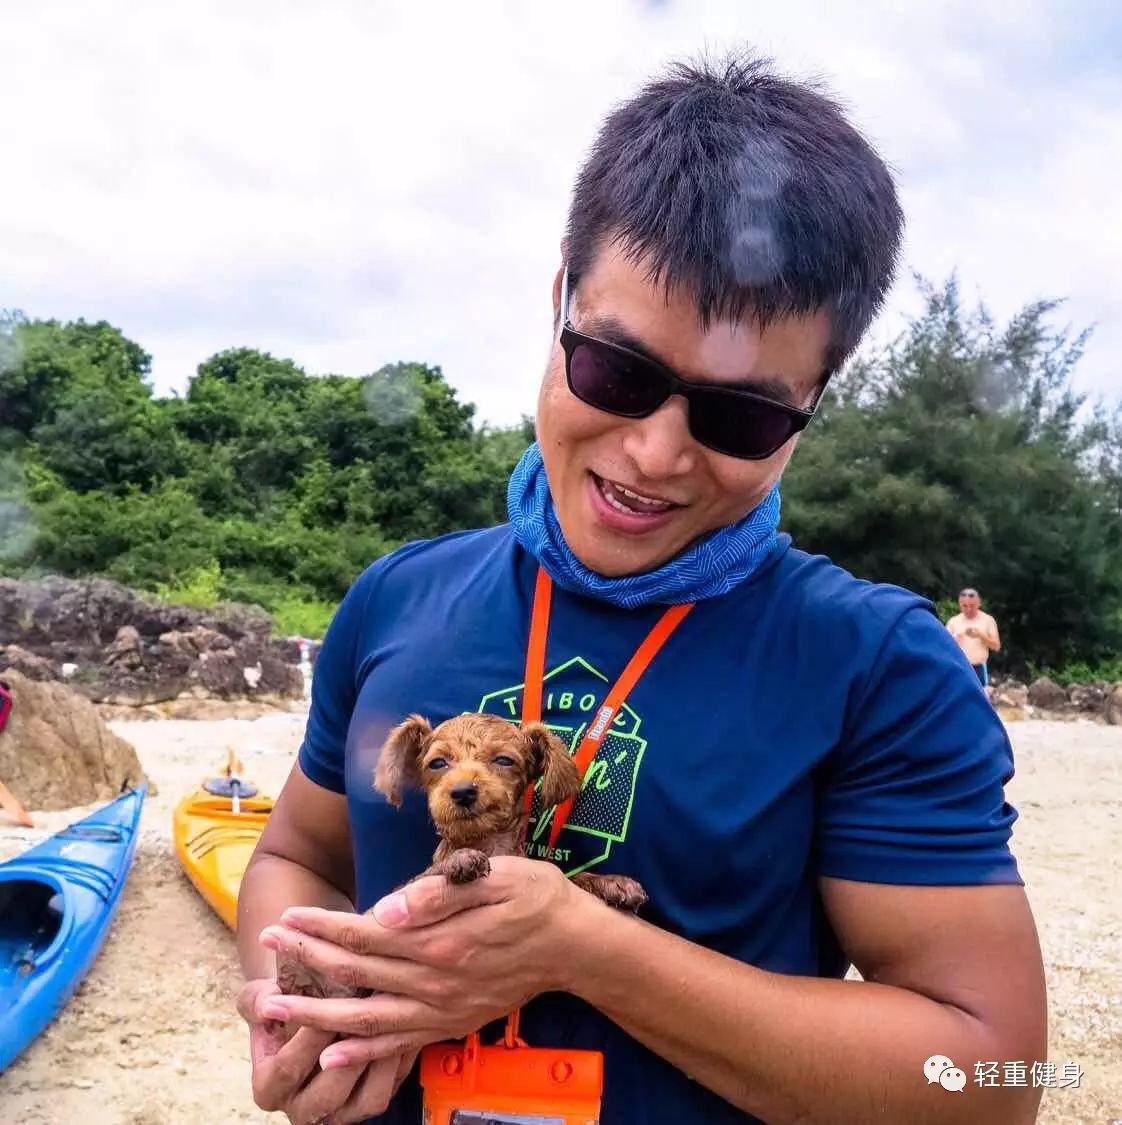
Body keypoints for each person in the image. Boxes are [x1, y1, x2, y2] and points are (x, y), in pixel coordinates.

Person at [236, 54, 1046, 1124]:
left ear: (814, 400)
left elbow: (995, 1081)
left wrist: (585, 951)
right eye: (617, 371)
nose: (657, 454)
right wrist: (296, 995)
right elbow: (296, 855)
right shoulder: (395, 599)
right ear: (560, 300)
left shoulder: (878, 665)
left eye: (741, 416)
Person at [946, 588, 1002, 688]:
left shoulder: (988, 620)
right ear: (959, 604)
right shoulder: (953, 622)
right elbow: (944, 646)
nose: (968, 609)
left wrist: (980, 635)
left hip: (978, 667)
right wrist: (954, 641)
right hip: (958, 666)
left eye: (972, 606)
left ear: (978, 603)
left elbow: (996, 646)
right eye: (964, 606)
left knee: (979, 698)